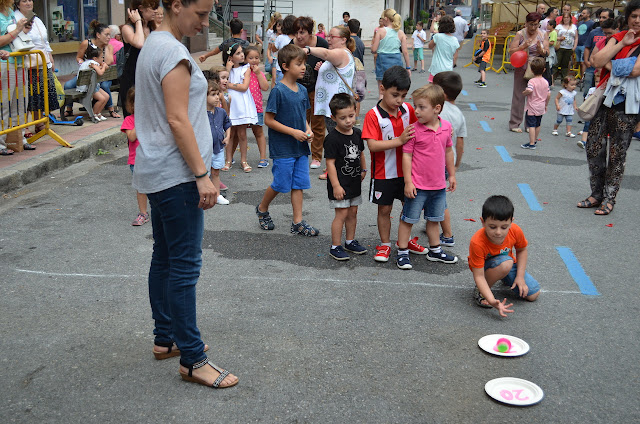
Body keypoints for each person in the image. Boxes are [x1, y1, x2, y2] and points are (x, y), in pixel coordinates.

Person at [133, 0, 237, 390]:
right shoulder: (172, 52)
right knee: (184, 266)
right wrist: (201, 174)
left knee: (164, 257)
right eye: (201, 13)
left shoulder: (155, 46)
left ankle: (166, 338)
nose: (206, 22)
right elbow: (177, 117)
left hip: (157, 169)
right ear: (176, 6)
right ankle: (193, 358)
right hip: (176, 174)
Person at [578, 0, 640, 216]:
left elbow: (634, 70)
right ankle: (596, 194)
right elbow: (595, 61)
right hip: (605, 98)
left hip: (628, 105)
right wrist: (621, 45)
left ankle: (609, 197)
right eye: (634, 16)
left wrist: (607, 62)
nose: (637, 20)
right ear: (628, 17)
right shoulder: (618, 38)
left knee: (617, 153)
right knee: (593, 146)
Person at [255, 44, 318, 236]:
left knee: (298, 183)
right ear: (285, 66)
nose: (303, 67)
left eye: (304, 64)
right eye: (298, 64)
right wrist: (293, 132)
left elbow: (303, 117)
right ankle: (262, 208)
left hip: (299, 146)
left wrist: (307, 130)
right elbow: (268, 120)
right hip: (283, 147)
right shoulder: (278, 91)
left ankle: (297, 222)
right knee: (281, 183)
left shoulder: (301, 89)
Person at [361, 66, 421, 263]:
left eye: (403, 96)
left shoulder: (408, 110)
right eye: (395, 95)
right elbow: (373, 145)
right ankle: (385, 244)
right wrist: (399, 140)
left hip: (406, 172)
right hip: (383, 173)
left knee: (408, 207)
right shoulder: (373, 115)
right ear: (382, 88)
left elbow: (419, 131)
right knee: (384, 210)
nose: (399, 101)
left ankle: (405, 240)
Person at [396, 84, 457, 270]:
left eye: (422, 107)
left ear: (437, 109)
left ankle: (435, 250)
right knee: (408, 220)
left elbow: (448, 152)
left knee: (434, 219)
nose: (417, 111)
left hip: (438, 186)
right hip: (418, 185)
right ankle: (402, 252)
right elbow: (406, 156)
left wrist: (452, 174)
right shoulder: (413, 130)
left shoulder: (446, 128)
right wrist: (408, 182)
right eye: (416, 106)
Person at [469, 195, 541, 317]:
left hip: (506, 263)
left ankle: (503, 275)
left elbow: (522, 250)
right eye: (492, 227)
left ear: (511, 222)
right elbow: (479, 276)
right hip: (487, 268)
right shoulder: (477, 242)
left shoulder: (515, 230)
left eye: (504, 227)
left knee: (532, 294)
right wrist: (492, 300)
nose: (498, 232)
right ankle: (480, 292)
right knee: (505, 264)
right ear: (483, 222)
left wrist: (520, 277)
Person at [307, 25, 356, 180]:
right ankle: (339, 167)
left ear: (343, 40)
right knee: (336, 136)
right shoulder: (338, 54)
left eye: (332, 37)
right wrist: (323, 67)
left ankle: (337, 169)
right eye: (328, 36)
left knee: (337, 137)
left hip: (337, 106)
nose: (328, 39)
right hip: (333, 105)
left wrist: (308, 50)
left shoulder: (341, 52)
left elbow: (327, 53)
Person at [325, 93, 367, 261]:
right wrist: (336, 185)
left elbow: (361, 153)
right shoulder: (332, 139)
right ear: (333, 118)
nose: (348, 121)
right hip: (340, 184)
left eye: (351, 115)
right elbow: (330, 163)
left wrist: (363, 169)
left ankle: (350, 241)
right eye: (343, 118)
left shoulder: (357, 133)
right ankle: (335, 246)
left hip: (354, 181)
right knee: (341, 214)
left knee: (353, 212)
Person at [432, 71, 466, 248]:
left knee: (438, 199)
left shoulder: (438, 111)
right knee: (435, 195)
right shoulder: (458, 114)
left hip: (434, 162)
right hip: (447, 161)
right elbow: (459, 142)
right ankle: (432, 222)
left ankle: (447, 234)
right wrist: (457, 164)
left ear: (442, 94)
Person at [14, 0, 56, 134]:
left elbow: (45, 41)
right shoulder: (15, 18)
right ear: (18, 4)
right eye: (24, 1)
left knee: (41, 93)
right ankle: (25, 125)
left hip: (43, 60)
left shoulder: (37, 19)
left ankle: (39, 122)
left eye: (30, 0)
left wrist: (50, 58)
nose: (28, 3)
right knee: (29, 94)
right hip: (27, 62)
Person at [293, 16, 328, 171]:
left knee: (318, 124)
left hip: (317, 90)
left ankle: (316, 156)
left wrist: (324, 66)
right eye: (296, 33)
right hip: (297, 90)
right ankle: (299, 154)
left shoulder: (321, 44)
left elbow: (332, 63)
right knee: (299, 123)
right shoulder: (291, 46)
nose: (299, 36)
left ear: (310, 32)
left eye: (302, 32)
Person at [64, 20, 119, 119]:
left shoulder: (109, 46)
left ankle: (111, 109)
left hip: (102, 76)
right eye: (106, 35)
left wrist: (105, 48)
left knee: (105, 86)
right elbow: (79, 57)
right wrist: (82, 63)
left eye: (109, 35)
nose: (109, 37)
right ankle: (68, 108)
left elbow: (109, 61)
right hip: (87, 74)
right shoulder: (86, 43)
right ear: (98, 35)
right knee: (68, 85)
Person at [508, 12, 549, 133]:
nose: (533, 27)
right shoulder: (520, 34)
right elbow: (511, 51)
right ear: (526, 23)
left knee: (534, 96)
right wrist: (522, 46)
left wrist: (541, 50)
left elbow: (547, 52)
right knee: (519, 95)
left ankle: (530, 124)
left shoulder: (543, 34)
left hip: (536, 69)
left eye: (536, 25)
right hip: (522, 67)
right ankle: (515, 123)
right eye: (531, 24)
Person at [0, 0, 31, 155]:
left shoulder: (10, 12)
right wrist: (17, 30)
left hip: (18, 60)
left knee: (20, 103)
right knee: (4, 103)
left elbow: (15, 35)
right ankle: (1, 142)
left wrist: (23, 29)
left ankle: (20, 138)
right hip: (4, 63)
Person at [120, 0, 158, 118]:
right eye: (153, 7)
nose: (156, 11)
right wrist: (138, 22)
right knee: (133, 120)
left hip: (148, 79)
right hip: (132, 80)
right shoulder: (127, 28)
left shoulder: (153, 28)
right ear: (141, 8)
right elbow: (139, 43)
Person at [224, 43, 258, 173]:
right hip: (230, 103)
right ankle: (228, 160)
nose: (242, 55)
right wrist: (227, 68)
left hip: (242, 104)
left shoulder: (246, 69)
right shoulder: (227, 69)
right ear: (230, 57)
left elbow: (244, 87)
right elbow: (223, 83)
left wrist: (230, 84)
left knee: (242, 133)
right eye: (238, 53)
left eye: (241, 52)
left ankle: (244, 160)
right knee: (230, 133)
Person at [121, 86, 150, 225]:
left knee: (156, 186)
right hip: (136, 160)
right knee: (141, 188)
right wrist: (140, 120)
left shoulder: (152, 119)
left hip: (152, 158)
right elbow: (132, 137)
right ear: (131, 105)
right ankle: (143, 213)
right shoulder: (129, 120)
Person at [371, 8, 411, 98]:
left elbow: (374, 49)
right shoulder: (400, 33)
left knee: (382, 91)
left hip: (382, 60)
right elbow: (405, 51)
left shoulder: (380, 31)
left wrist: (373, 47)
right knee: (396, 89)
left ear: (386, 19)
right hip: (396, 60)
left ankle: (381, 110)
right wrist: (408, 67)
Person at [206, 81, 231, 205]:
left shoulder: (221, 112)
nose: (217, 97)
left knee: (216, 172)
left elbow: (227, 123)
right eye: (213, 94)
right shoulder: (200, 114)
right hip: (204, 150)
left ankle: (216, 195)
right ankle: (203, 195)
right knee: (204, 173)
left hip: (218, 148)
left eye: (218, 94)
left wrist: (228, 136)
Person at [243, 46, 269, 168]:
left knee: (258, 132)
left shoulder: (259, 73)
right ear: (244, 58)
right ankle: (230, 158)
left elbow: (265, 87)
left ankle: (263, 158)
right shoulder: (242, 71)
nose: (254, 60)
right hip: (242, 108)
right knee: (238, 133)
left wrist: (258, 73)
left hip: (256, 107)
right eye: (251, 58)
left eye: (257, 58)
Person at [583, 9, 614, 98]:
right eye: (600, 17)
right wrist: (586, 61)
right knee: (587, 90)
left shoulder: (615, 33)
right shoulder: (594, 32)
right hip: (592, 66)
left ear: (611, 19)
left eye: (604, 17)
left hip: (605, 68)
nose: (601, 19)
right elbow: (587, 47)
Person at [521, 57, 550, 149]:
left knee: (531, 125)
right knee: (538, 124)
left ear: (532, 70)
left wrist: (524, 92)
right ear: (544, 70)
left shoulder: (532, 81)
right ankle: (535, 139)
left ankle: (531, 143)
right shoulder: (545, 82)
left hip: (532, 106)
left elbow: (529, 90)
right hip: (541, 105)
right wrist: (546, 104)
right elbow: (548, 94)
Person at [76, 45, 110, 122]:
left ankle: (98, 113)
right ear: (95, 58)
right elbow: (101, 72)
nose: (103, 59)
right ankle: (93, 114)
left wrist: (102, 65)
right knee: (102, 99)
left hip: (91, 85)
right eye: (101, 57)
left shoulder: (89, 62)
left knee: (106, 96)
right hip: (87, 87)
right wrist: (103, 66)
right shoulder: (93, 63)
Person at [428, 15, 459, 82]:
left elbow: (430, 46)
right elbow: (455, 56)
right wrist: (452, 64)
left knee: (433, 89)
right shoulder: (455, 40)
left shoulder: (437, 36)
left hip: (436, 69)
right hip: (448, 69)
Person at [347, 19, 367, 121]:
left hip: (350, 69)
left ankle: (350, 115)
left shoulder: (348, 41)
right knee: (357, 95)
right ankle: (356, 117)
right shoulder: (361, 42)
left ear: (348, 28)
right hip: (359, 69)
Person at [270, 15, 296, 86]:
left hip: (281, 69)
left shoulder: (280, 37)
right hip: (295, 69)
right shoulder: (298, 39)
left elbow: (274, 49)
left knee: (280, 88)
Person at [555, 12, 578, 80]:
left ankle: (564, 80)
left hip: (569, 48)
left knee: (565, 65)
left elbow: (576, 37)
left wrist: (574, 47)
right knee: (556, 64)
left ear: (570, 18)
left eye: (567, 17)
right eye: (564, 17)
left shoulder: (574, 27)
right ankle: (552, 80)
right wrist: (559, 38)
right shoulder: (559, 26)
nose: (566, 19)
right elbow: (553, 36)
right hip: (560, 47)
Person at [576, 8, 595, 78]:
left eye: (584, 13)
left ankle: (583, 79)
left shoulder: (592, 23)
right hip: (578, 44)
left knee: (583, 62)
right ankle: (581, 76)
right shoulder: (580, 23)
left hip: (585, 45)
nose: (582, 14)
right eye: (582, 13)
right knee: (578, 63)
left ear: (588, 14)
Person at [544, 20, 558, 87]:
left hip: (551, 50)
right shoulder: (549, 32)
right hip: (548, 49)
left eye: (548, 25)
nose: (547, 26)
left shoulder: (553, 33)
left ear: (552, 26)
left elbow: (552, 42)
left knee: (549, 66)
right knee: (547, 66)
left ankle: (551, 82)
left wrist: (545, 41)